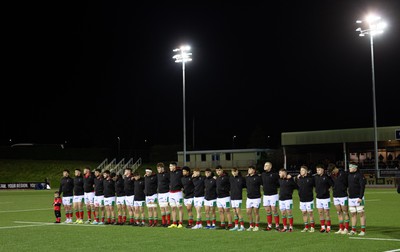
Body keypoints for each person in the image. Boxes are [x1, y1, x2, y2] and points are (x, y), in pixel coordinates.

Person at [328, 163, 350, 234]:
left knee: (345, 212)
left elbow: (348, 183)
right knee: (339, 212)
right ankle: (341, 228)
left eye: (333, 171)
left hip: (343, 196)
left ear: (335, 168)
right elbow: (331, 183)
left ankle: (346, 229)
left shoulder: (343, 173)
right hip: (335, 196)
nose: (332, 173)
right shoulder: (332, 175)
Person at [347, 163, 367, 236]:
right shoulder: (349, 175)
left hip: (358, 197)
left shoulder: (360, 175)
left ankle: (363, 230)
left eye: (350, 167)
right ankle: (353, 230)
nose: (349, 168)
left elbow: (362, 187)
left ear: (355, 168)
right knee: (353, 214)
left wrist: (360, 197)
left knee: (361, 213)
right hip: (351, 198)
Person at [261, 161, 281, 231]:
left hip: (274, 195)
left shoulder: (275, 174)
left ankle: (277, 225)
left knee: (274, 210)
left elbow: (279, 182)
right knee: (268, 210)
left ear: (270, 166)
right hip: (265, 195)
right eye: (264, 165)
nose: (265, 166)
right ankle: (269, 225)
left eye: (266, 165)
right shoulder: (263, 174)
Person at [295, 165, 316, 232]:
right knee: (304, 213)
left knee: (310, 213)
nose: (301, 172)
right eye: (300, 170)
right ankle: (306, 227)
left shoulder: (310, 178)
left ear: (306, 171)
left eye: (302, 170)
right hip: (302, 199)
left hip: (310, 199)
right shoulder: (299, 179)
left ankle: (312, 227)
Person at [314, 163, 334, 233]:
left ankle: (328, 227)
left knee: (327, 213)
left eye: (319, 170)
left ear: (322, 170)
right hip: (318, 198)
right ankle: (322, 227)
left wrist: (329, 189)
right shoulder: (315, 177)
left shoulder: (327, 177)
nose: (317, 171)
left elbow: (332, 184)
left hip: (326, 198)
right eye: (317, 170)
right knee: (320, 213)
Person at [245, 165, 263, 231]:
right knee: (248, 212)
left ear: (254, 170)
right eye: (248, 169)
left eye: (250, 169)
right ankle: (251, 225)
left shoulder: (258, 177)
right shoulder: (247, 177)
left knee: (256, 212)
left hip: (256, 198)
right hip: (249, 197)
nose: (249, 170)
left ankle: (257, 226)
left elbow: (262, 185)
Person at [215, 165, 233, 230]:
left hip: (226, 197)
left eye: (219, 170)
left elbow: (230, 186)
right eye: (217, 170)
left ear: (222, 170)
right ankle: (222, 224)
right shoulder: (217, 178)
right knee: (220, 211)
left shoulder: (226, 177)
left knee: (227, 211)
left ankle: (230, 224)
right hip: (218, 198)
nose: (218, 172)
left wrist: (224, 189)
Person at [167, 162, 184, 228]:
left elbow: (187, 174)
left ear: (174, 166)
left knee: (180, 207)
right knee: (173, 208)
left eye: (171, 166)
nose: (170, 167)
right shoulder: (169, 173)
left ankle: (180, 223)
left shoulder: (180, 172)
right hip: (171, 193)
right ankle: (174, 223)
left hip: (178, 193)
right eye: (169, 166)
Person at [156, 162, 171, 227]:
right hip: (160, 194)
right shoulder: (157, 175)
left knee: (166, 207)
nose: (158, 169)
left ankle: (168, 222)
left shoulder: (167, 174)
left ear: (163, 168)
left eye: (159, 168)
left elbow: (171, 182)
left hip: (166, 193)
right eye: (158, 168)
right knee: (161, 208)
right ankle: (163, 222)